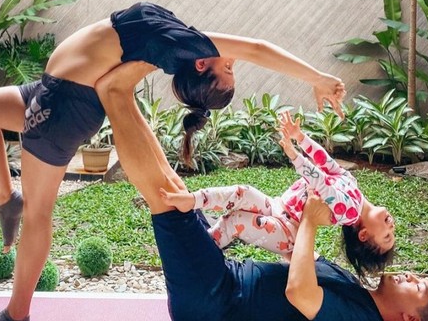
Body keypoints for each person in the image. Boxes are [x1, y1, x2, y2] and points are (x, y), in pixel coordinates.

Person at [0, 1, 345, 321]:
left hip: (63, 109)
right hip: (46, 90)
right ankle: (6, 196)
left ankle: (16, 315)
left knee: (38, 214)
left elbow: (257, 48)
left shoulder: (181, 45)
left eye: (227, 67)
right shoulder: (176, 41)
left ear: (202, 63)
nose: (232, 61)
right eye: (231, 67)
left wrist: (319, 79)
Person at [90, 61, 428, 321]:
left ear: (412, 319)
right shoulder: (356, 289)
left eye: (420, 287)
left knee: (165, 199)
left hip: (215, 306)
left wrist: (310, 222)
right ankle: (118, 94)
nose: (411, 275)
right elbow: (292, 250)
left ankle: (114, 94)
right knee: (175, 189)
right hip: (224, 279)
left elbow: (300, 293)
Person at [161, 110, 395, 279]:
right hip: (277, 206)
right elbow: (326, 162)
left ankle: (199, 255)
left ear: (364, 234)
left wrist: (295, 155)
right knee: (243, 192)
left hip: (288, 231)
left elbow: (321, 183)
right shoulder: (353, 185)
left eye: (386, 236)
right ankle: (192, 201)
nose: (391, 227)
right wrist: (300, 137)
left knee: (236, 221)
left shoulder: (350, 212)